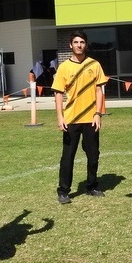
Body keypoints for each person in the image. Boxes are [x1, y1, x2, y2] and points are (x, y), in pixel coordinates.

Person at [52, 31, 108, 204]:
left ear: (86, 44)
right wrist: (60, 117)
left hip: (91, 118)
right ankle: (63, 191)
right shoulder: (64, 67)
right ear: (70, 45)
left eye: (82, 42)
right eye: (75, 42)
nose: (79, 45)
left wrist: (98, 114)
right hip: (71, 119)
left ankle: (92, 186)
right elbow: (58, 94)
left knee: (93, 155)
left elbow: (99, 91)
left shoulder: (94, 64)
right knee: (67, 156)